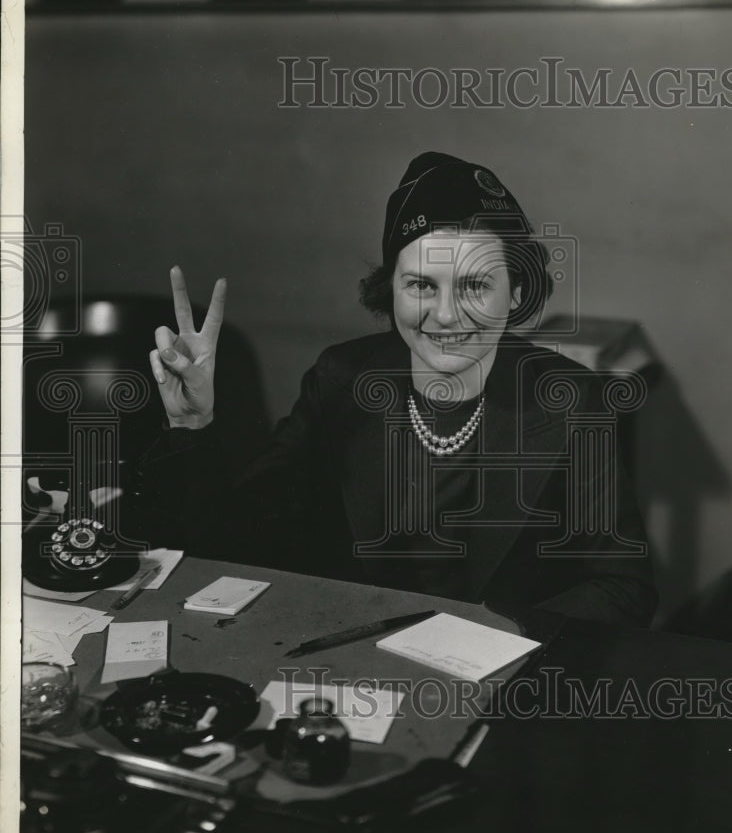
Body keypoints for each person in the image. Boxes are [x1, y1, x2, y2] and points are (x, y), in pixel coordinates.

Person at [134, 152, 656, 630]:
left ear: (515, 292)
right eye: (421, 285)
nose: (447, 315)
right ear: (392, 291)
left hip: (506, 677)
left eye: (475, 285)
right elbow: (239, 542)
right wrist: (192, 426)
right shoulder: (341, 378)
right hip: (353, 659)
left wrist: (506, 634)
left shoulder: (572, 399)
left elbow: (624, 588)